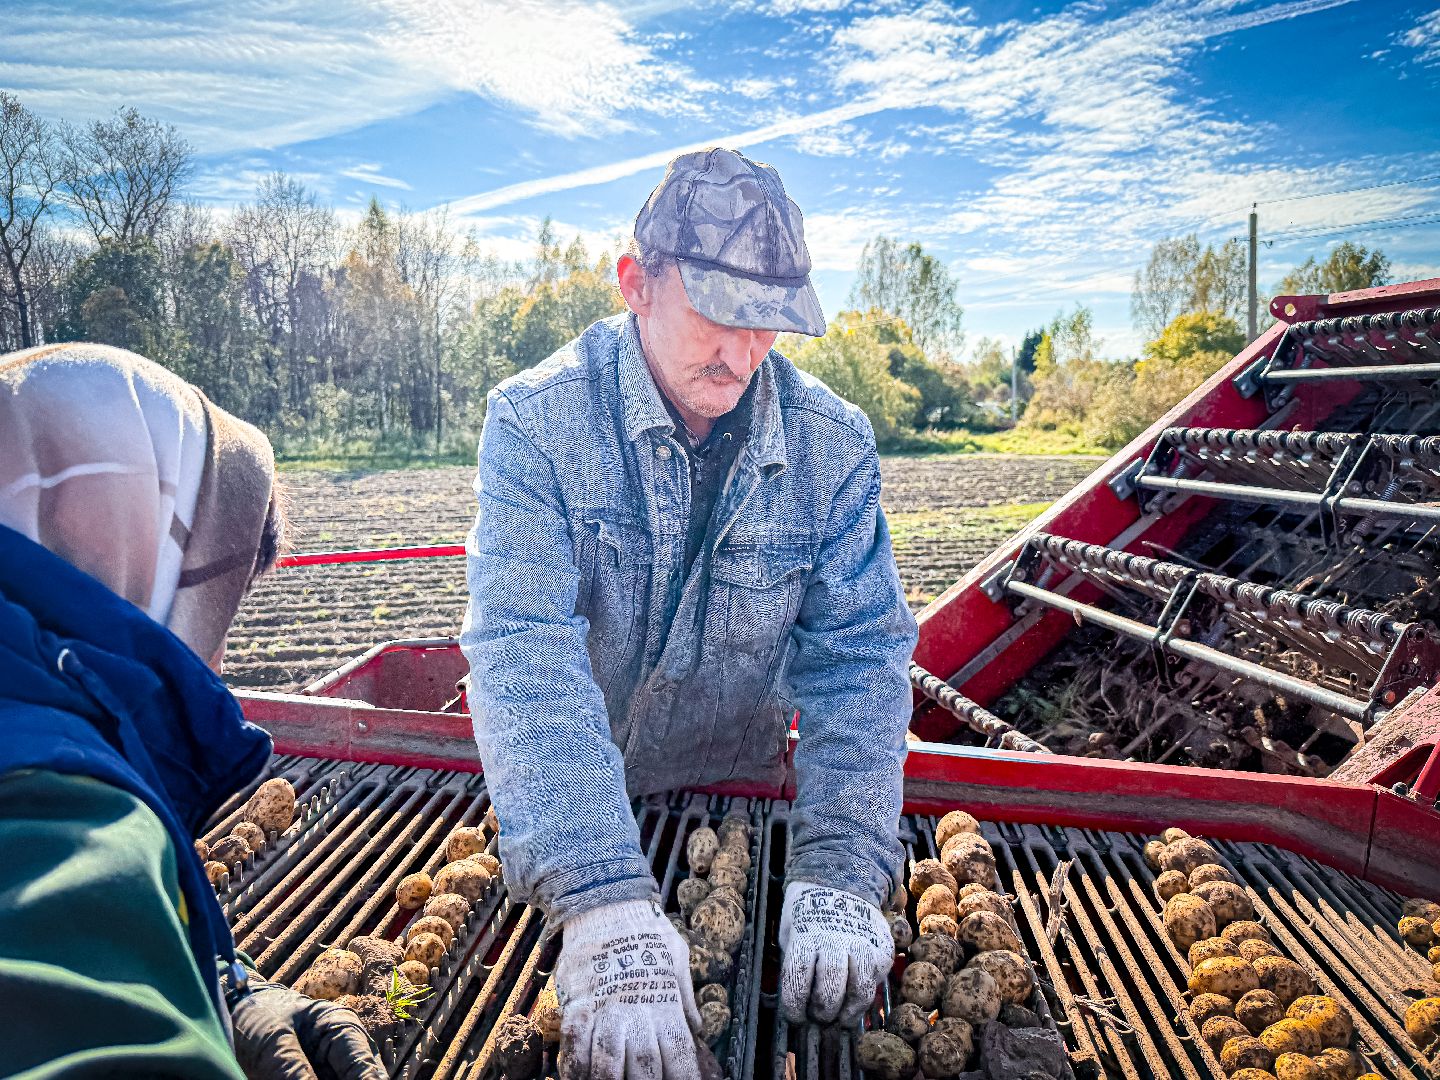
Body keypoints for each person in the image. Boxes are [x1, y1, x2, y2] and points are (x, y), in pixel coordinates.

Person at [462, 147, 918, 1078]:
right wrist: (599, 895)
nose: (743, 352)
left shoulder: (832, 448)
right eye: (719, 315)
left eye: (770, 326)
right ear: (636, 282)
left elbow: (860, 661)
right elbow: (524, 653)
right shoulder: (537, 426)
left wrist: (839, 865)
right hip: (579, 800)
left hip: (738, 800)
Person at [0, 342, 383, 1079]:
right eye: (217, 603)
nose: (217, 659)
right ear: (137, 544)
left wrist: (222, 987)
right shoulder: (60, 812)